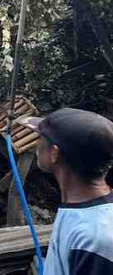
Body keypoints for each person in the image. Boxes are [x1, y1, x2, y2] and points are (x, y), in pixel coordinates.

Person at [18, 108, 113, 275]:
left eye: (41, 138)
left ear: (54, 153)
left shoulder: (95, 238)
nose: (36, 144)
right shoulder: (79, 210)